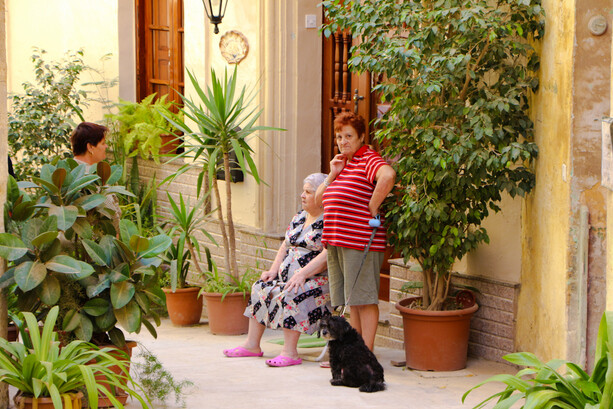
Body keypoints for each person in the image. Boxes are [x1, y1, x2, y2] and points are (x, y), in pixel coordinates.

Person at [223, 173, 332, 367]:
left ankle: (289, 352)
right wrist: (273, 270)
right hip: (288, 277)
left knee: (292, 293)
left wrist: (302, 274)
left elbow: (327, 255)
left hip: (316, 280)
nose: (302, 195)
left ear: (322, 196)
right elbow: (285, 245)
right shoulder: (299, 217)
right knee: (260, 287)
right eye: (303, 191)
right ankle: (252, 345)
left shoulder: (329, 220)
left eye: (308, 192)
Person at [315, 112, 396, 352]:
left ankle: (366, 355)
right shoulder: (344, 164)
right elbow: (319, 201)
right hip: (338, 241)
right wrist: (332, 173)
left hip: (359, 241)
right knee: (353, 302)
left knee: (365, 298)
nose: (343, 141)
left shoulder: (368, 158)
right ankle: (354, 351)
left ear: (361, 136)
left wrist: (373, 205)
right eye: (339, 136)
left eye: (349, 135)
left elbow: (388, 175)